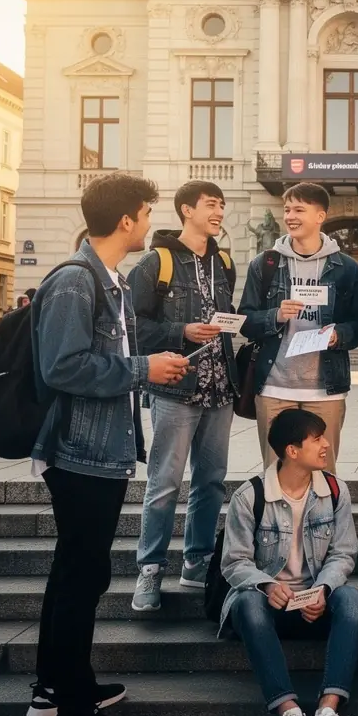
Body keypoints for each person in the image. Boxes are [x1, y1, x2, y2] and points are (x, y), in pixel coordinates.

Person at [27, 172, 190, 716]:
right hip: (80, 454)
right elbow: (62, 366)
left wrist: (146, 363)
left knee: (78, 573)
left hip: (98, 452)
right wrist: (145, 369)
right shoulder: (77, 281)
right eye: (146, 213)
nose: (149, 222)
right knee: (81, 579)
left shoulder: (108, 280)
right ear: (126, 220)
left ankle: (55, 688)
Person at [220, 408, 358, 716]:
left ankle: (327, 711)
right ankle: (289, 713)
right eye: (317, 439)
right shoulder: (249, 496)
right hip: (270, 607)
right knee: (247, 603)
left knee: (352, 599)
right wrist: (268, 586)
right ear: (292, 450)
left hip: (315, 604)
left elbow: (343, 554)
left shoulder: (334, 490)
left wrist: (324, 590)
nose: (326, 445)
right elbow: (234, 562)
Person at [127, 181, 239, 612]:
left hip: (220, 389)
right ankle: (150, 569)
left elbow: (228, 316)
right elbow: (133, 326)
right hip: (176, 387)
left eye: (222, 205)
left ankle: (196, 563)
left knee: (211, 481)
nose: (219, 211)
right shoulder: (157, 262)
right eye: (211, 204)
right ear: (186, 210)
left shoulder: (224, 262)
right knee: (164, 484)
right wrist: (182, 331)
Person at [239, 183, 358, 475]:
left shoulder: (346, 268)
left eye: (299, 209)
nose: (290, 216)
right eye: (287, 210)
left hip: (325, 390)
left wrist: (338, 335)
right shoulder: (265, 264)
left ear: (320, 216)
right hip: (274, 387)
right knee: (276, 472)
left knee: (323, 473)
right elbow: (245, 320)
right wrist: (275, 315)